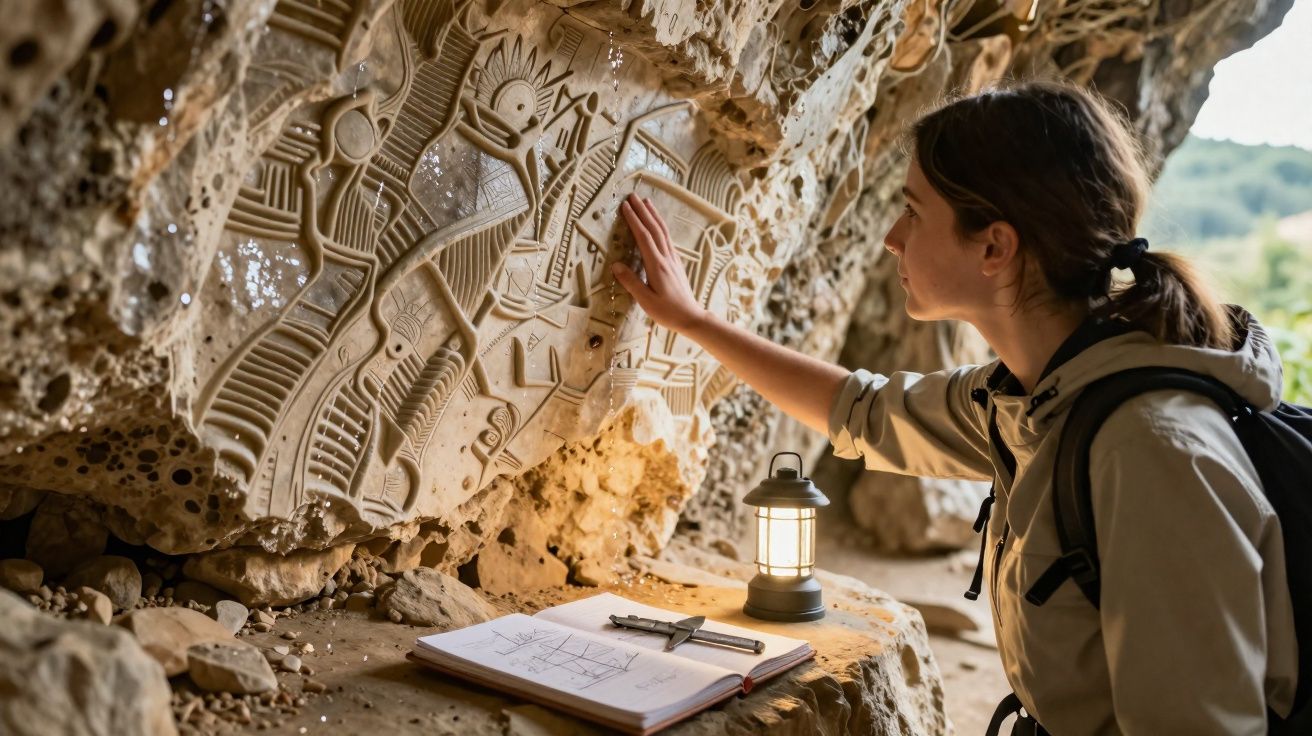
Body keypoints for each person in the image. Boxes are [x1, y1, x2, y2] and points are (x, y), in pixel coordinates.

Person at [610, 80, 1297, 735]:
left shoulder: (1150, 451)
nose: (892, 238)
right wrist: (693, 322)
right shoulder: (1038, 393)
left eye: (913, 211)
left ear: (995, 246)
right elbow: (864, 413)